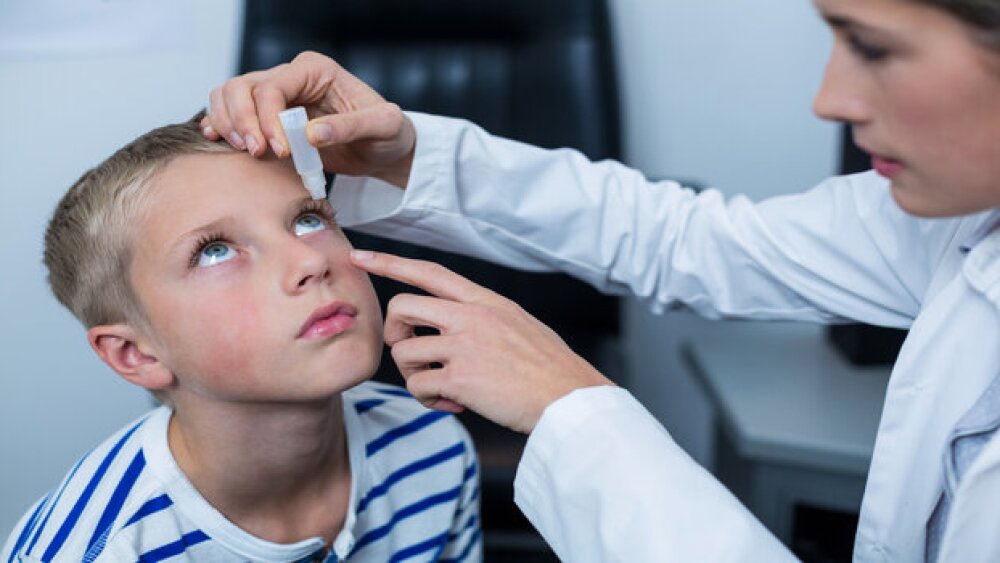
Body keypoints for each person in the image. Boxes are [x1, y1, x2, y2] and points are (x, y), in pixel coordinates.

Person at [200, 0, 1000, 560]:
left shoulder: (427, 467)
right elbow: (690, 239)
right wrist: (411, 157)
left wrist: (568, 406)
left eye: (875, 46)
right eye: (214, 249)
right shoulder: (960, 223)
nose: (830, 100)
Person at [0, 113, 481, 562]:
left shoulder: (433, 443)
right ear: (135, 353)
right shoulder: (99, 550)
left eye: (308, 220)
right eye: (213, 252)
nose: (311, 262)